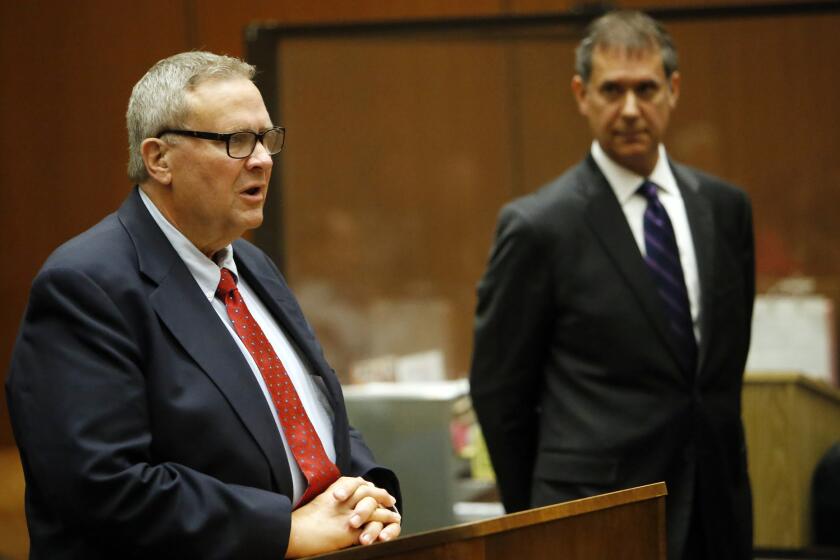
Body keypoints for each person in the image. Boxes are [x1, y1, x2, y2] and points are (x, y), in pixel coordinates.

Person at [6, 51, 401, 559]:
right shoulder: (86, 285)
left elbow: (311, 412)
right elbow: (102, 484)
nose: (261, 159)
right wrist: (283, 532)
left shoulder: (252, 265)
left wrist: (367, 493)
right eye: (236, 141)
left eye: (266, 138)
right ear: (158, 159)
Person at [469, 10, 753, 560]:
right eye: (611, 90)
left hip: (717, 510)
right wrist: (540, 517)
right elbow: (499, 391)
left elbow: (720, 372)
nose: (629, 109)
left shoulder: (724, 209)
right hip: (594, 514)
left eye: (645, 89)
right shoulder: (539, 226)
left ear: (673, 90)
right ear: (581, 94)